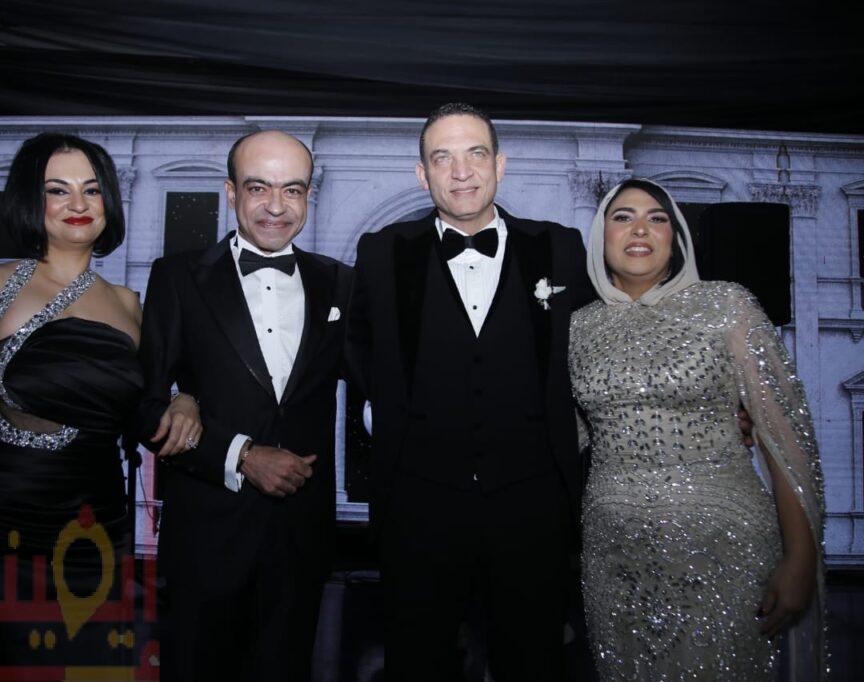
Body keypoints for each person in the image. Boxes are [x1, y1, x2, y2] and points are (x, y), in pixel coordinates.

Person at [0, 133, 198, 665]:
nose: (78, 203)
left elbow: (153, 406)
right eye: (57, 189)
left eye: (92, 189)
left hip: (93, 542)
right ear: (30, 198)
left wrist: (186, 402)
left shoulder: (131, 306)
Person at [346, 102, 596, 680]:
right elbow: (356, 349)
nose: (461, 172)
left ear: (499, 165)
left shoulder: (559, 246)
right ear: (422, 174)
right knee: (418, 663)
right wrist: (394, 417)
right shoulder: (383, 250)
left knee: (533, 663)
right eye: (443, 158)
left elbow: (594, 349)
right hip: (419, 509)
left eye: (475, 154)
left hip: (533, 508)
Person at [570, 178, 825, 680]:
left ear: (676, 237)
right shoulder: (578, 326)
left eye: (657, 218)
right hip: (612, 554)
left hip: (723, 548)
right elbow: (560, 434)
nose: (640, 229)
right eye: (622, 217)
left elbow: (784, 438)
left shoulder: (727, 306)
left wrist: (800, 557)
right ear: (600, 235)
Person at [138, 130, 353, 681]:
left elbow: (382, 382)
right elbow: (142, 405)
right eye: (259, 188)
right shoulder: (177, 277)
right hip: (206, 536)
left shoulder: (341, 283)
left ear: (309, 195)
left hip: (301, 540)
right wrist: (241, 455)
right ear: (231, 192)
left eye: (293, 190)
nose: (276, 206)